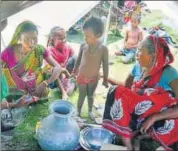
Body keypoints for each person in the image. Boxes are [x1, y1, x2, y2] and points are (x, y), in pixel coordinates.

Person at [102, 35, 178, 150]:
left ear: (152, 56)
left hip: (161, 118)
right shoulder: (137, 68)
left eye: (140, 51)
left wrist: (153, 118)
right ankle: (129, 146)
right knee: (115, 91)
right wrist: (106, 77)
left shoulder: (169, 73)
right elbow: (126, 89)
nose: (136, 54)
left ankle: (141, 136)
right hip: (137, 115)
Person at [1, 21, 66, 98]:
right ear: (19, 38)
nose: (31, 43)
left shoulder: (39, 49)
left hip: (35, 85)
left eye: (35, 38)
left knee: (49, 69)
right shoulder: (8, 53)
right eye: (27, 39)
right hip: (17, 91)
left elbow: (57, 67)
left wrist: (45, 83)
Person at [72, 16, 109, 120]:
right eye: (84, 35)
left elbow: (106, 65)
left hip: (94, 78)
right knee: (81, 95)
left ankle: (89, 110)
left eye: (87, 36)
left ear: (98, 35)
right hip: (81, 76)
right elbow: (78, 60)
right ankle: (78, 111)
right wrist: (74, 71)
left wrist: (105, 79)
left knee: (90, 96)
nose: (85, 38)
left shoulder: (103, 49)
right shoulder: (83, 46)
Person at [46, 26, 76, 99]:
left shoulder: (67, 47)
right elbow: (51, 71)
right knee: (54, 71)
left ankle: (71, 81)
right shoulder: (49, 51)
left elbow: (74, 58)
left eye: (64, 38)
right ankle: (64, 91)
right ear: (52, 40)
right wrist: (64, 93)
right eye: (60, 39)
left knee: (74, 58)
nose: (63, 41)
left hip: (64, 75)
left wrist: (72, 73)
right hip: (54, 80)